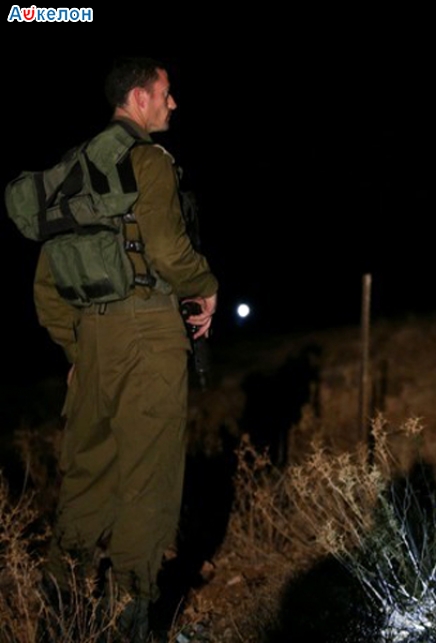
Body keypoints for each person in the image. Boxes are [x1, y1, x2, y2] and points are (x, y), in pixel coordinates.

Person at [35, 57, 218, 638]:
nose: (173, 103)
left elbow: (46, 285)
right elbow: (166, 250)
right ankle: (127, 621)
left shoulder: (73, 167)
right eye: (166, 93)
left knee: (86, 478)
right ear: (139, 98)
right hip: (148, 335)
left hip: (91, 338)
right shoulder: (150, 161)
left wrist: (79, 351)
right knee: (148, 483)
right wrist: (206, 285)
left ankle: (60, 615)